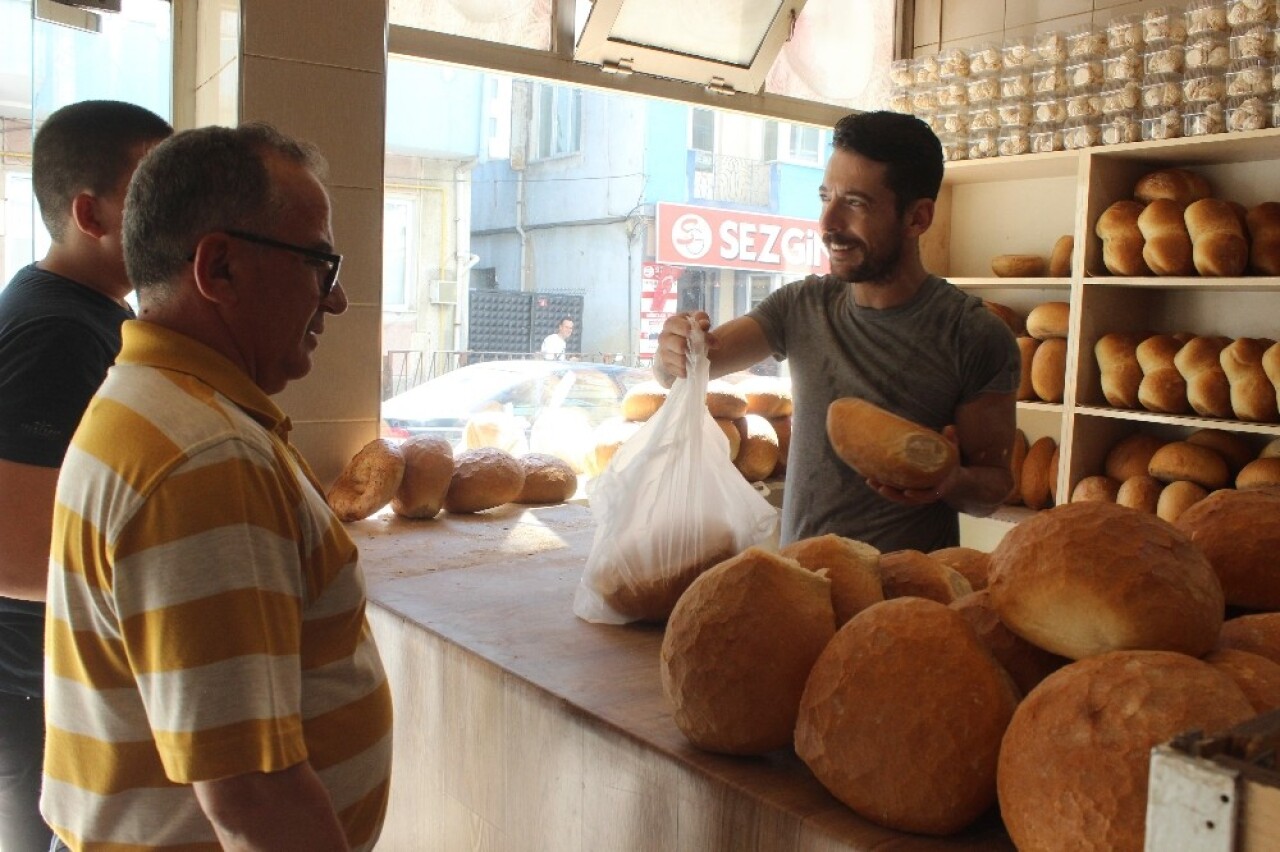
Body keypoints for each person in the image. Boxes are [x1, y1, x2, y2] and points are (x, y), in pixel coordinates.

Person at [41, 123, 392, 851]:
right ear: (220, 268)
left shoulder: (153, 402)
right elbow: (254, 798)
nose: (337, 301)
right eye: (319, 265)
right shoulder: (206, 460)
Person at [655, 111, 1019, 553]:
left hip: (904, 605)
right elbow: (690, 368)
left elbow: (993, 489)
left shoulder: (974, 334)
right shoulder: (801, 306)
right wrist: (674, 351)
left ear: (917, 218)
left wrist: (951, 481)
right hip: (802, 587)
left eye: (856, 203)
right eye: (826, 197)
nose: (827, 224)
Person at [0, 99, 172, 852]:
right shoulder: (62, 331)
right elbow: (13, 547)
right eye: (152, 198)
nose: (173, 222)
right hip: (29, 683)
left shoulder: (75, 311)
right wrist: (162, 583)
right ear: (89, 213)